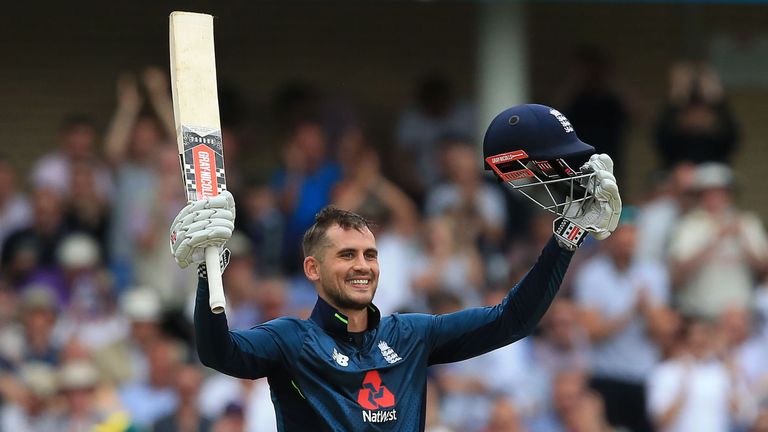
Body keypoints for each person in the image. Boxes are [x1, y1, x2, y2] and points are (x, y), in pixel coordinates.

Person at [169, 104, 622, 430]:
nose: (362, 265)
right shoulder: (290, 340)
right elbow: (218, 353)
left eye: (369, 254)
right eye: (346, 255)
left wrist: (566, 239)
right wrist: (208, 270)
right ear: (312, 268)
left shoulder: (411, 335)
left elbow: (513, 320)